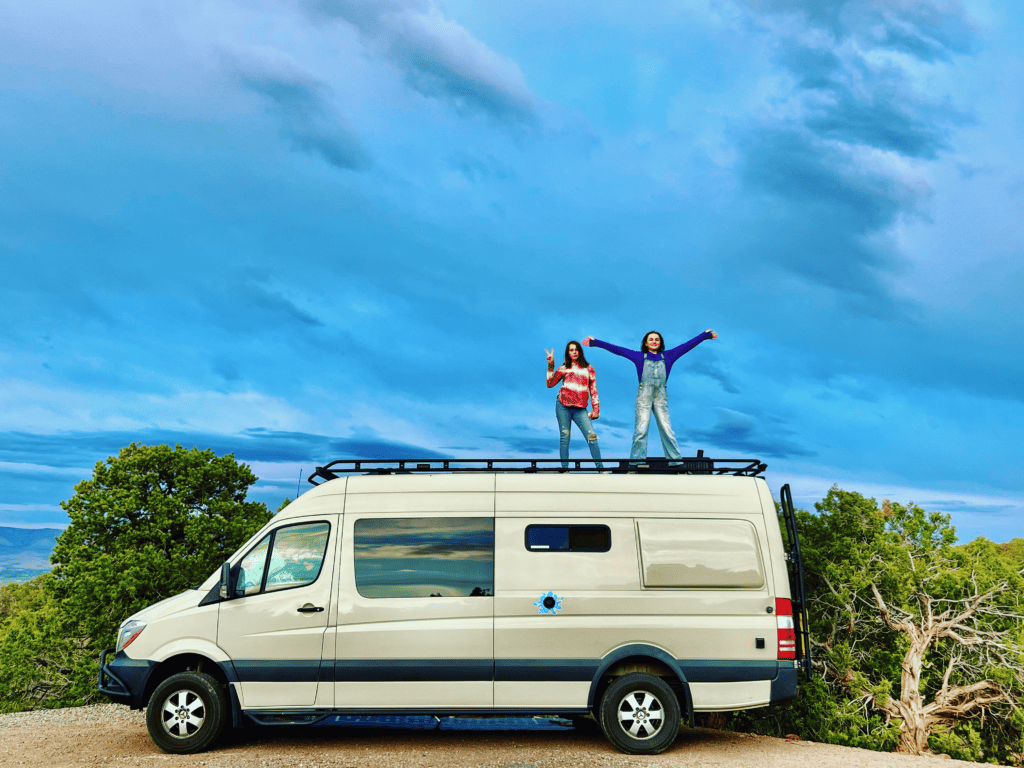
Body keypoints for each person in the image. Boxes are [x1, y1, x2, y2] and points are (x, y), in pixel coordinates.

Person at [583, 329, 717, 461]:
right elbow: (618, 350)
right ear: (646, 343)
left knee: (667, 429)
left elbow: (687, 346)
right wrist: (595, 342)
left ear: (660, 343)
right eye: (651, 339)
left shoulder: (669, 356)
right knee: (641, 430)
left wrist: (705, 335)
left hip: (660, 398)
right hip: (644, 398)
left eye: (657, 339)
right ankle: (636, 462)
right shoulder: (639, 357)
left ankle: (675, 461)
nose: (654, 341)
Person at [546, 340, 604, 469]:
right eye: (571, 350)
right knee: (565, 437)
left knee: (592, 437)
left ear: (580, 351)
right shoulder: (564, 368)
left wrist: (596, 409)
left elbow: (593, 390)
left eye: (576, 349)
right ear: (568, 353)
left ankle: (601, 469)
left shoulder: (589, 369)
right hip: (563, 406)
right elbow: (550, 384)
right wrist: (550, 365)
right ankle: (565, 469)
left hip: (580, 409)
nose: (574, 352)